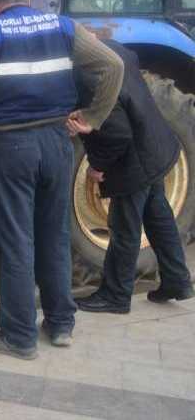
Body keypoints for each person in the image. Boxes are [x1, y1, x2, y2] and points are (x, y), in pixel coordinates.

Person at [0, 0, 123, 360]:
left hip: (9, 145)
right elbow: (113, 65)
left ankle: (18, 336)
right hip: (56, 142)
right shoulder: (63, 26)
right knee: (54, 234)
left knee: (16, 239)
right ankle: (61, 324)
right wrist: (93, 117)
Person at [74, 41, 193, 313]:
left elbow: (118, 135)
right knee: (158, 215)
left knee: (124, 227)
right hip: (155, 145)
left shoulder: (87, 77)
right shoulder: (110, 49)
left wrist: (97, 166)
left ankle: (116, 295)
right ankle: (178, 280)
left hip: (134, 160)